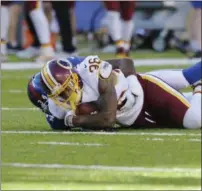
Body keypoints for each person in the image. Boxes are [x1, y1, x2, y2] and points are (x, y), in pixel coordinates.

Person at [27, 56, 201, 130]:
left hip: (145, 91)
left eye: (65, 88)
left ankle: (199, 86)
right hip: (136, 118)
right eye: (58, 93)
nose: (64, 96)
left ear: (73, 78)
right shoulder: (56, 106)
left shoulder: (91, 72)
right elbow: (57, 123)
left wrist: (76, 120)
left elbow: (108, 119)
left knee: (194, 119)